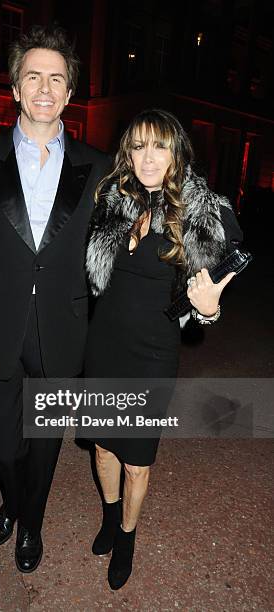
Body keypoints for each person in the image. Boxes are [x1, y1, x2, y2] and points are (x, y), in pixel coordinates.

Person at [0, 26, 109, 573]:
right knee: (2, 449)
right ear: (15, 88)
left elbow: (119, 251)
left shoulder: (98, 166)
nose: (45, 88)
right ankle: (12, 500)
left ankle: (29, 524)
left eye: (56, 78)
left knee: (45, 444)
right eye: (33, 76)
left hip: (64, 328)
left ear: (69, 93)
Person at [84, 109, 243, 589]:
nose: (147, 157)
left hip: (152, 353)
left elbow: (227, 264)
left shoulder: (199, 211)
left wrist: (210, 305)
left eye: (158, 146)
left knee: (136, 459)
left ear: (176, 152)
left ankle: (127, 537)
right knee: (104, 448)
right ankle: (110, 519)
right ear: (126, 153)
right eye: (137, 146)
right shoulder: (113, 199)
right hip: (104, 344)